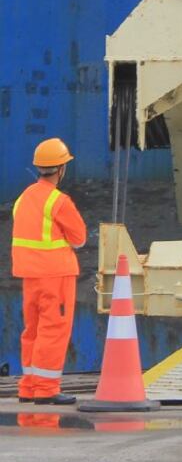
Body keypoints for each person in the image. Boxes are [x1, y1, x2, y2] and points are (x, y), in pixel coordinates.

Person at [11, 138, 86, 405]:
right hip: (56, 275)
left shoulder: (23, 198)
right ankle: (46, 389)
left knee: (32, 329)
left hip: (30, 276)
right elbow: (79, 239)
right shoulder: (59, 201)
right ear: (61, 169)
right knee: (53, 330)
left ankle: (29, 386)